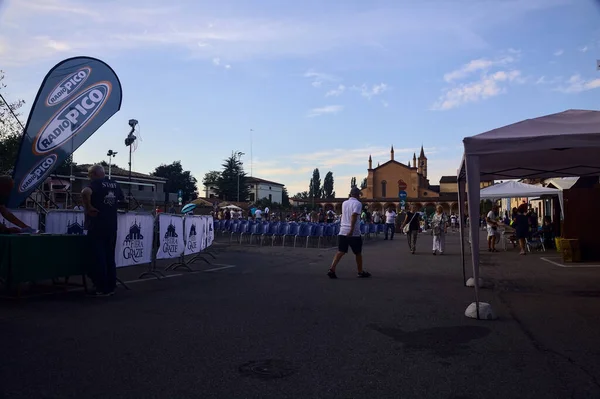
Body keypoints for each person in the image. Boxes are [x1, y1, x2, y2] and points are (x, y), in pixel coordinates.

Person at [82, 165, 125, 297]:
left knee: (98, 257)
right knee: (109, 256)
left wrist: (89, 206)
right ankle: (111, 286)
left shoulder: (95, 184)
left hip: (97, 224)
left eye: (89, 175)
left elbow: (85, 192)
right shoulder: (115, 184)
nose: (89, 178)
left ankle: (101, 287)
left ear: (94, 174)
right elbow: (123, 200)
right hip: (111, 225)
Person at [327, 187, 371, 279]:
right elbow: (354, 216)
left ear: (350, 194)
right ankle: (360, 271)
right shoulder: (358, 203)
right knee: (358, 253)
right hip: (353, 232)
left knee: (341, 251)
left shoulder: (344, 203)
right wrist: (351, 230)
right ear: (358, 195)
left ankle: (332, 268)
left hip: (343, 230)